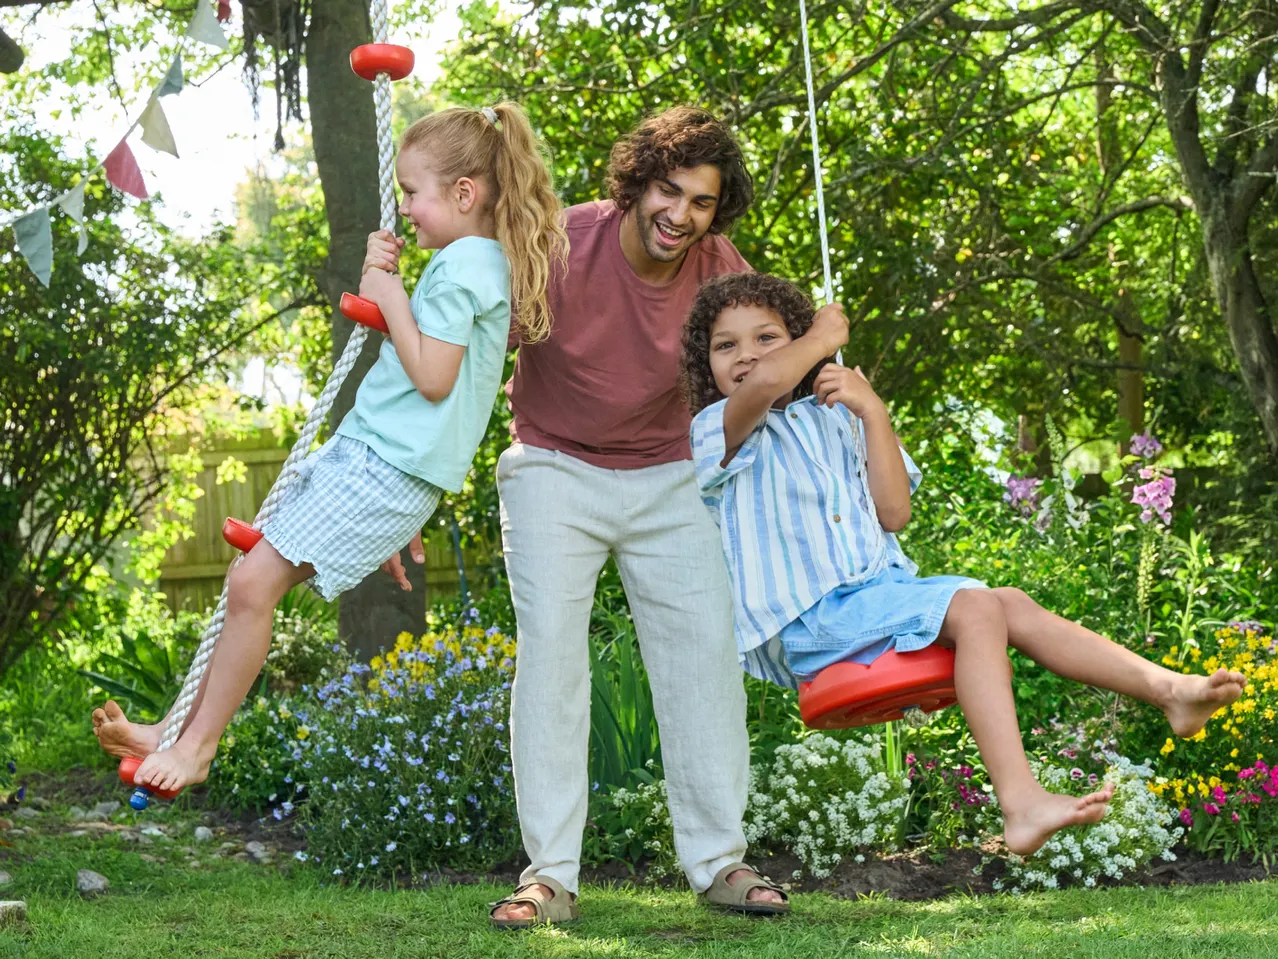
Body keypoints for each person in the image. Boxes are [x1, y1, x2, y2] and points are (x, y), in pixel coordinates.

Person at [679, 271, 1249, 856]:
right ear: (708, 364)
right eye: (727, 346)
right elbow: (770, 380)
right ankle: (1021, 801)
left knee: (1009, 604)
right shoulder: (720, 431)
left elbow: (893, 513)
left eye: (766, 337)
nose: (747, 356)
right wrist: (821, 336)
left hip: (874, 597)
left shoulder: (837, 415)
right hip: (812, 619)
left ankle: (1170, 691)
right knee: (976, 606)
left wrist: (872, 411)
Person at [386, 107, 789, 926]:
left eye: (702, 201)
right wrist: (411, 497)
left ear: (719, 210)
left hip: (670, 478)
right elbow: (457, 370)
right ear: (636, 182)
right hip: (553, 468)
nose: (680, 214)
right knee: (553, 659)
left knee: (704, 658)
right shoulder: (560, 242)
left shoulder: (718, 269)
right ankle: (550, 877)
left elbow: (759, 367)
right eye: (668, 191)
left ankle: (719, 861)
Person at [91, 103, 567, 795]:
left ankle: (197, 746)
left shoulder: (467, 266)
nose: (403, 207)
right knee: (249, 584)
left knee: (252, 584)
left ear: (464, 194)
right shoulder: (471, 262)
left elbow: (433, 379)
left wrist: (388, 294)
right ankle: (175, 729)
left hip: (384, 463)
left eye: (412, 192)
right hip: (374, 456)